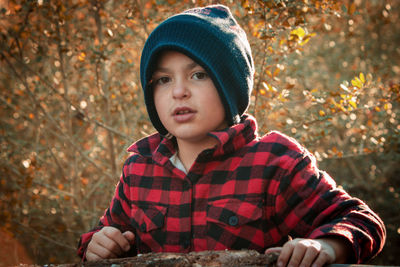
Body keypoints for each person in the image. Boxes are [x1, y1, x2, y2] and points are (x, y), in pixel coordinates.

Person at [77, 5, 385, 267]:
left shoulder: (274, 161)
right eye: (163, 79)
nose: (178, 91)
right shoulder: (140, 168)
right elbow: (105, 235)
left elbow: (361, 220)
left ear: (230, 86)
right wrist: (98, 244)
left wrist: (327, 247)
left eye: (199, 75)